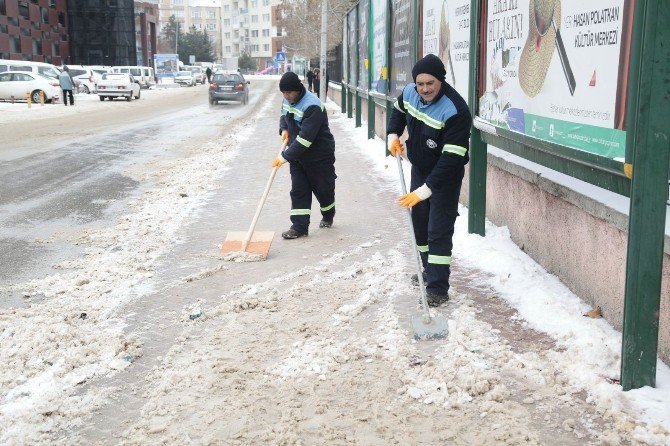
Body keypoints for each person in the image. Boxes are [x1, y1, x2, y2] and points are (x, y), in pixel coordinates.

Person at [386, 54, 472, 307]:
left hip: (444, 177)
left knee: (438, 231)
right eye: (420, 83)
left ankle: (438, 287)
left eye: (430, 83)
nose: (424, 89)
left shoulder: (455, 111)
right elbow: (398, 112)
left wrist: (425, 191)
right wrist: (393, 134)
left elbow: (452, 159)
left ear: (441, 81)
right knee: (420, 226)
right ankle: (427, 271)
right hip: (420, 168)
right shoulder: (411, 93)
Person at [272, 72, 337, 239]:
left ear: (298, 90)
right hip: (298, 156)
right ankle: (299, 227)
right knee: (299, 190)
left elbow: (305, 140)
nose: (287, 97)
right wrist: (284, 129)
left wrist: (284, 156)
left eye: (290, 93)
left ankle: (328, 215)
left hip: (319, 156)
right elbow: (284, 115)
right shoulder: (287, 99)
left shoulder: (312, 105)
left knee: (324, 190)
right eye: (284, 93)